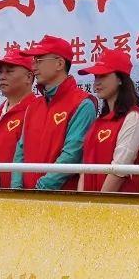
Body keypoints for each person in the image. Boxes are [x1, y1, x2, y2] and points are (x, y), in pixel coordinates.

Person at [12, 35, 97, 190]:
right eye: (34, 60)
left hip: (60, 200)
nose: (33, 66)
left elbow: (72, 154)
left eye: (39, 60)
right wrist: (16, 187)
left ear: (59, 63)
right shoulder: (33, 106)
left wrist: (40, 188)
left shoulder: (83, 104)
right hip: (26, 198)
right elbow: (21, 150)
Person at [77, 50, 139, 193]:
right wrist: (81, 199)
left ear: (120, 79)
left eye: (103, 75)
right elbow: (85, 167)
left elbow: (119, 171)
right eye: (96, 76)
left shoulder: (132, 118)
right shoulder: (99, 121)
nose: (97, 82)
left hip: (115, 203)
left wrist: (98, 202)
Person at [0, 48, 36, 188]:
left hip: (15, 196)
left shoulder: (35, 111)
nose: (2, 77)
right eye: (0, 72)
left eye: (9, 71)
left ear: (29, 77)